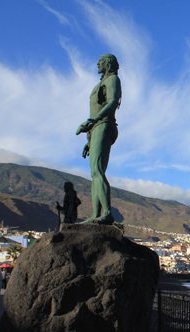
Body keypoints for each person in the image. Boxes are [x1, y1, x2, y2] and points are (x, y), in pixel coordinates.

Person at [76, 54, 121, 225]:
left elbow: (113, 102)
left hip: (104, 125)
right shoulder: (101, 83)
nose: (97, 63)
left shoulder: (113, 80)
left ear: (108, 64)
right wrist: (89, 140)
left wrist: (93, 121)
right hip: (96, 129)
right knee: (94, 173)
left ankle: (107, 213)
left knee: (98, 171)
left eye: (101, 61)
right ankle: (96, 215)